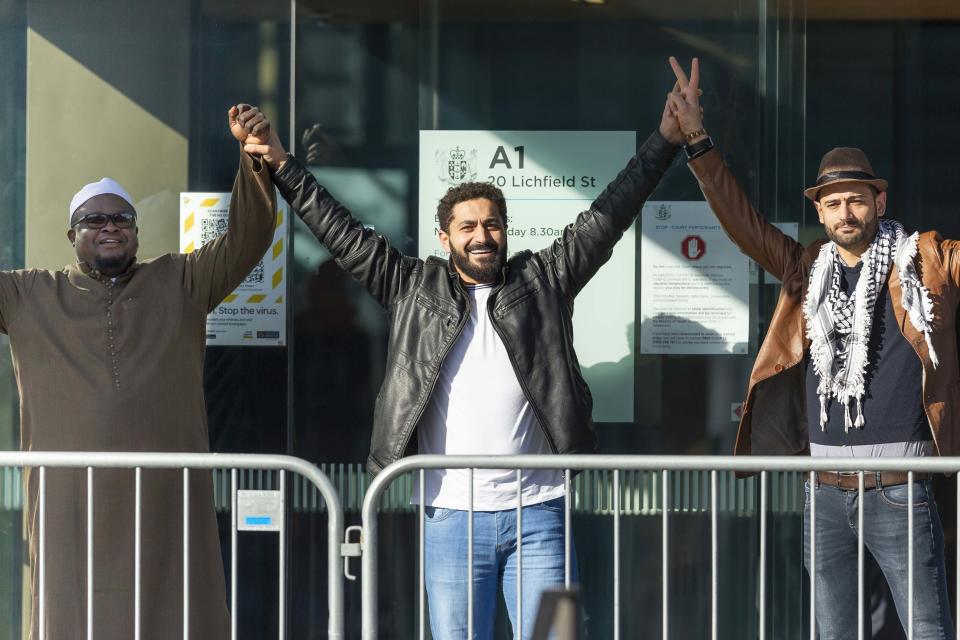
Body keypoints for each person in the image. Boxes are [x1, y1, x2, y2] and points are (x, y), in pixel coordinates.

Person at [239, 95, 684, 638]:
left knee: (555, 636)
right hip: (449, 515)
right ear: (444, 238)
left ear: (505, 231)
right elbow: (338, 229)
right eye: (468, 226)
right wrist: (283, 163)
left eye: (492, 224)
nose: (482, 235)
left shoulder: (542, 282)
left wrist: (665, 141)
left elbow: (609, 215)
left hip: (538, 512)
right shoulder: (410, 287)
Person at [666, 56, 956, 639]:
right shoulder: (805, 268)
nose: (845, 212)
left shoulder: (925, 261)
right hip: (823, 491)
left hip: (900, 488)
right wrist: (696, 138)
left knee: (927, 629)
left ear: (879, 201)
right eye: (833, 203)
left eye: (856, 199)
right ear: (818, 212)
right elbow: (743, 224)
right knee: (832, 632)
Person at [17, 104, 277, 639]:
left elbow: (246, 241)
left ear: (135, 232)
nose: (110, 227)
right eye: (95, 219)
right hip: (72, 500)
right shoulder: (29, 293)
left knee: (174, 610)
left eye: (122, 219)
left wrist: (254, 158)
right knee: (71, 614)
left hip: (166, 495)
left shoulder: (180, 281)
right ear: (72, 235)